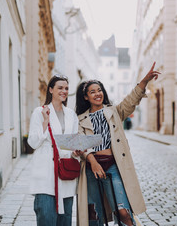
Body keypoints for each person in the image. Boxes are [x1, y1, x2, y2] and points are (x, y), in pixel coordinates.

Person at [75, 62, 160, 226]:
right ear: (86, 97)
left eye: (99, 90)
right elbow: (82, 144)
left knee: (123, 212)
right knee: (94, 214)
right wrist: (93, 162)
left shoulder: (113, 111)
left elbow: (131, 100)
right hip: (91, 168)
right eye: (92, 92)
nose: (97, 94)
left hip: (114, 165)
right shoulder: (80, 119)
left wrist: (145, 81)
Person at [28, 75, 83, 226]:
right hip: (45, 174)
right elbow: (33, 142)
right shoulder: (39, 112)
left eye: (66, 88)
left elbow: (70, 143)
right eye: (60, 88)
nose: (64, 91)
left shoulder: (71, 114)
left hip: (65, 174)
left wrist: (75, 152)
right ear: (51, 90)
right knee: (46, 219)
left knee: (65, 222)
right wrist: (45, 121)